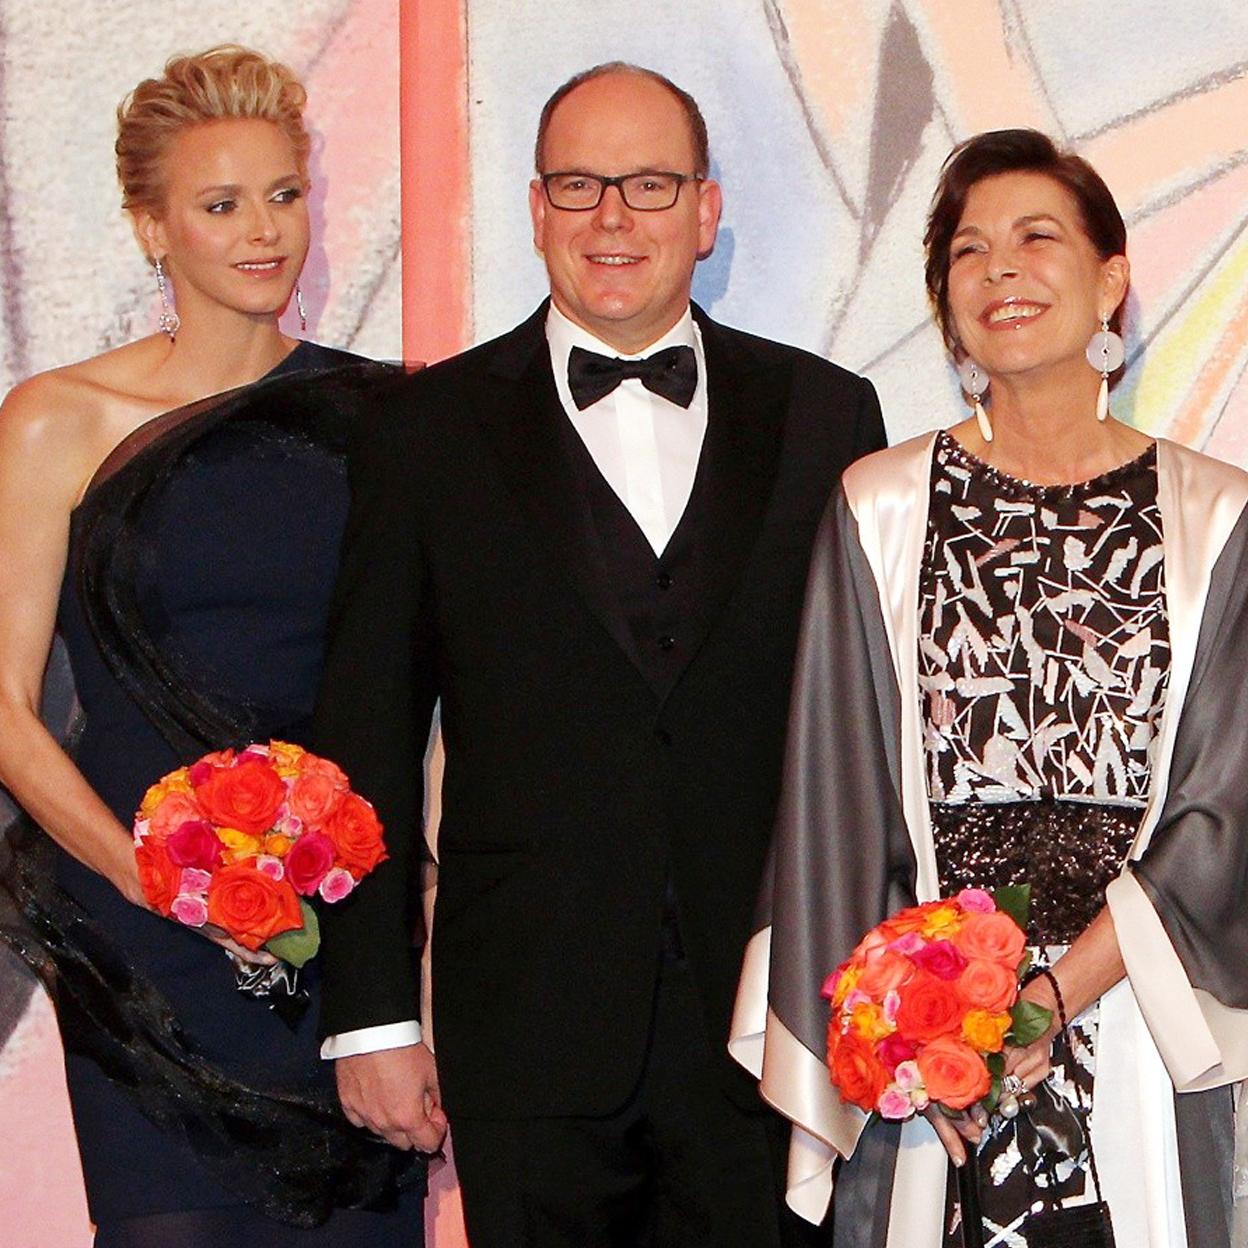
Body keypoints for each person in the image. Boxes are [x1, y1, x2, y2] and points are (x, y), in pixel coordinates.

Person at [313, 61, 885, 1248]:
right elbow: (363, 731)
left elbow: (868, 732)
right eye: (578, 184)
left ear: (707, 209)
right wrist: (371, 1019)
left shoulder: (830, 415)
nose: (612, 217)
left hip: (774, 1027)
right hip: (526, 1025)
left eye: (648, 184)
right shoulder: (424, 432)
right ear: (534, 211)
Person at [731, 127, 1248, 1247]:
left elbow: (1226, 808)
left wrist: (1047, 1004)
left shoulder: (1218, 517)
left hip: (1148, 1027)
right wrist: (920, 1031)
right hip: (937, 1063)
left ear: (1111, 278)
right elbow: (839, 805)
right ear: (947, 303)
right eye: (969, 251)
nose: (1002, 269)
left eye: (1037, 238)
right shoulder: (878, 506)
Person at [0, 46, 423, 1247]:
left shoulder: (389, 419)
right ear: (151, 227)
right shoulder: (57, 421)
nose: (263, 233)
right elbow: (4, 704)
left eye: (284, 195)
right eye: (220, 204)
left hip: (342, 944)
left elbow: (425, 697)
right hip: (145, 958)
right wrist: (155, 880)